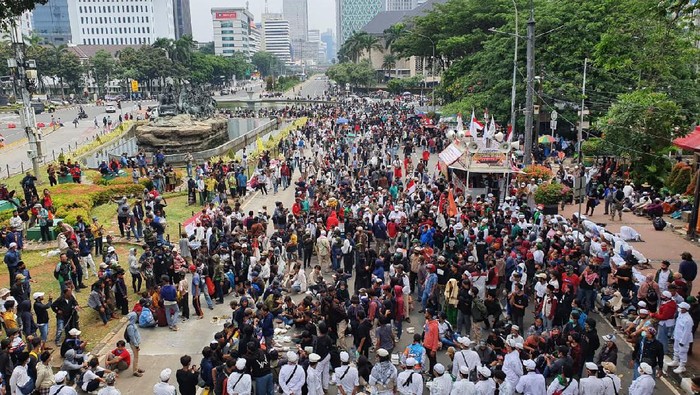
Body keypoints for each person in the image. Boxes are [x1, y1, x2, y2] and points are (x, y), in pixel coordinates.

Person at [668, 301, 694, 373]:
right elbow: (677, 326)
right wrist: (674, 335)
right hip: (677, 336)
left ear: (685, 309)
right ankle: (675, 360)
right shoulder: (680, 314)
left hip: (684, 338)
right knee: (676, 349)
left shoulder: (688, 320)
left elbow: (687, 332)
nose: (679, 308)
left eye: (681, 307)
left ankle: (682, 366)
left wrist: (683, 341)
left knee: (682, 352)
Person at [125, 312, 145, 377]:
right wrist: (136, 345)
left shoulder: (132, 324)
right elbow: (132, 337)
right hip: (134, 344)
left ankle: (136, 367)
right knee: (136, 357)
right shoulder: (130, 327)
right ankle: (135, 371)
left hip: (135, 343)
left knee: (137, 357)